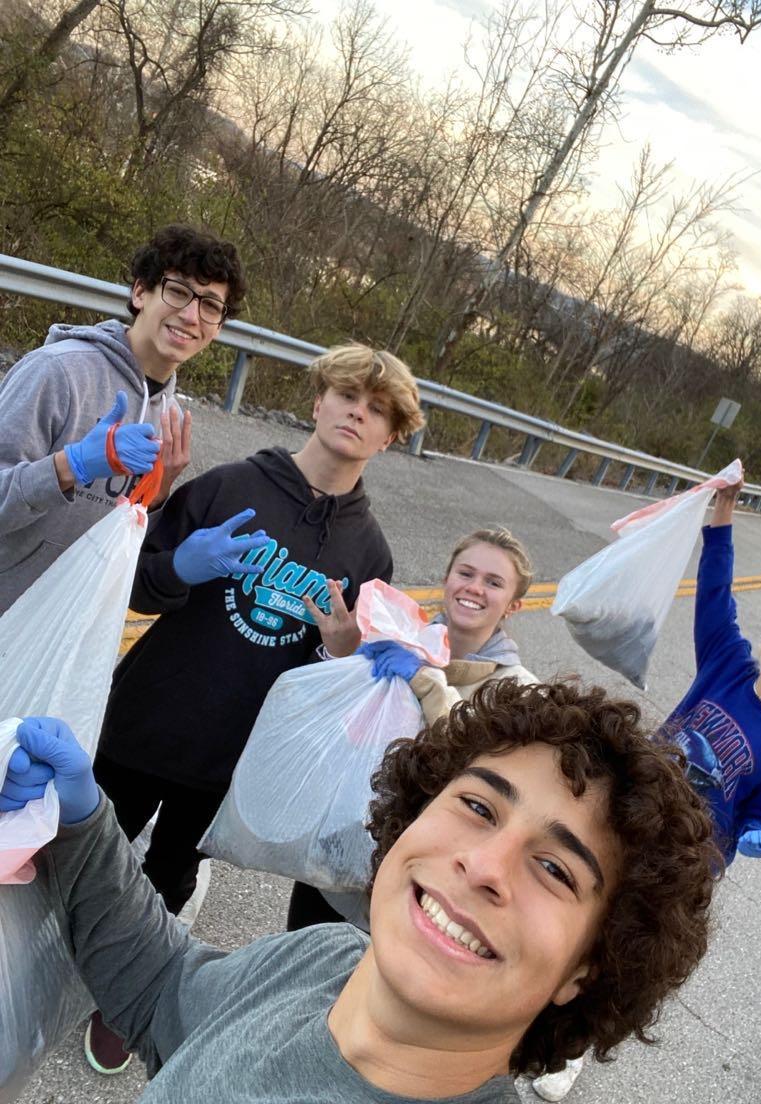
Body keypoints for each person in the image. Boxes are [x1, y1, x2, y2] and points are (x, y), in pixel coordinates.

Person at [2, 677, 719, 1102]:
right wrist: (83, 823)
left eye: (556, 869)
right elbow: (168, 995)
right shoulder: (330, 959)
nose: (484, 866)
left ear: (587, 967)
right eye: (478, 806)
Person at [83, 343, 423, 1072]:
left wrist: (341, 652)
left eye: (378, 410)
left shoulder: (369, 551)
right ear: (318, 402)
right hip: (147, 718)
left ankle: (129, 993)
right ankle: (41, 957)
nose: (358, 413)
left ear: (390, 437)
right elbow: (133, 584)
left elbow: (338, 695)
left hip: (235, 757)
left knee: (167, 874)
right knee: (82, 844)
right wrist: (179, 566)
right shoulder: (230, 486)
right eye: (347, 396)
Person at [286, 526, 538, 932]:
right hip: (339, 854)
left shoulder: (520, 692)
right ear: (447, 579)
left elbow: (479, 766)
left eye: (494, 583)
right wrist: (342, 654)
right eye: (466, 573)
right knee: (300, 954)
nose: (474, 588)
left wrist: (426, 682)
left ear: (513, 605)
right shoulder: (398, 639)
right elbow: (338, 730)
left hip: (421, 880)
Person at [0, 223, 247, 614]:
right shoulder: (57, 373)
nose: (190, 315)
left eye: (210, 306)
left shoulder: (170, 417)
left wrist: (156, 494)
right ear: (140, 293)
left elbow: (116, 546)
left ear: (217, 329)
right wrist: (70, 465)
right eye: (178, 292)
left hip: (67, 633)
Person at [657, 477, 761, 866]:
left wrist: (760, 830)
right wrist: (725, 506)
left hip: (686, 856)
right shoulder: (728, 662)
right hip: (639, 801)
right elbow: (715, 591)